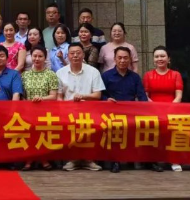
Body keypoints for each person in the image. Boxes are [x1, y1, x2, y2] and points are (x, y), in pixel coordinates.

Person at [144, 46, 190, 172]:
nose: (160, 59)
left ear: (169, 59)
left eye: (162, 56)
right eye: (157, 56)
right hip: (154, 112)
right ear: (153, 60)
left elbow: (178, 96)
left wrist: (169, 110)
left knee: (184, 132)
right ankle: (173, 160)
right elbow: (146, 96)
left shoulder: (176, 75)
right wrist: (156, 109)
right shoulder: (148, 75)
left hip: (173, 110)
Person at [57, 43, 104, 172]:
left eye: (78, 53)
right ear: (67, 56)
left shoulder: (93, 71)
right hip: (68, 111)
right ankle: (73, 160)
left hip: (90, 111)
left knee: (94, 126)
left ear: (83, 55)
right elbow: (59, 96)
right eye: (72, 53)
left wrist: (83, 96)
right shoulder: (60, 72)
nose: (75, 56)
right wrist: (62, 109)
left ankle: (89, 160)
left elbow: (98, 95)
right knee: (68, 127)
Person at [102, 47, 147, 173]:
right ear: (114, 59)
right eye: (120, 58)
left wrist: (144, 109)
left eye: (125, 58)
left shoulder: (135, 77)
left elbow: (142, 96)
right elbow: (101, 95)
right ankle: (115, 161)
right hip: (112, 114)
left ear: (130, 59)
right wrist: (107, 99)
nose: (122, 61)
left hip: (131, 113)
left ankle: (147, 160)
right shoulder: (106, 76)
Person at [21, 45, 60, 171]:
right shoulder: (25, 75)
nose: (37, 59)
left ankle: (43, 159)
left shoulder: (51, 74)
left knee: (42, 134)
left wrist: (41, 99)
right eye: (34, 56)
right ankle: (29, 159)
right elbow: (22, 96)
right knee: (29, 134)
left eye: (40, 56)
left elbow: (53, 96)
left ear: (45, 58)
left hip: (46, 111)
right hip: (28, 111)